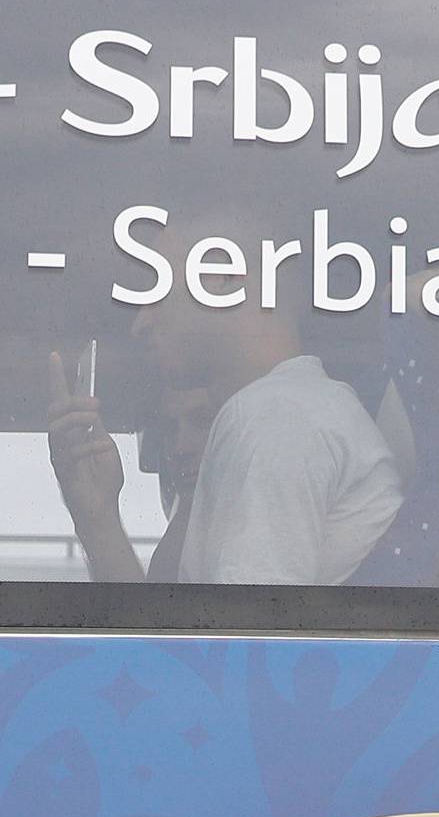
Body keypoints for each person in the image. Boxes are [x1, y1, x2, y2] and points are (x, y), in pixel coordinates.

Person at [48, 209, 402, 587]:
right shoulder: (291, 411)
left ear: (223, 276)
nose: (140, 323)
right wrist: (98, 520)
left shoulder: (275, 416)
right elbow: (181, 641)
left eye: (158, 288)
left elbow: (246, 643)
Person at [46, 358, 212, 583]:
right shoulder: (182, 541)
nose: (180, 447)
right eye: (170, 429)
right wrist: (96, 515)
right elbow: (149, 617)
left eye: (204, 421)